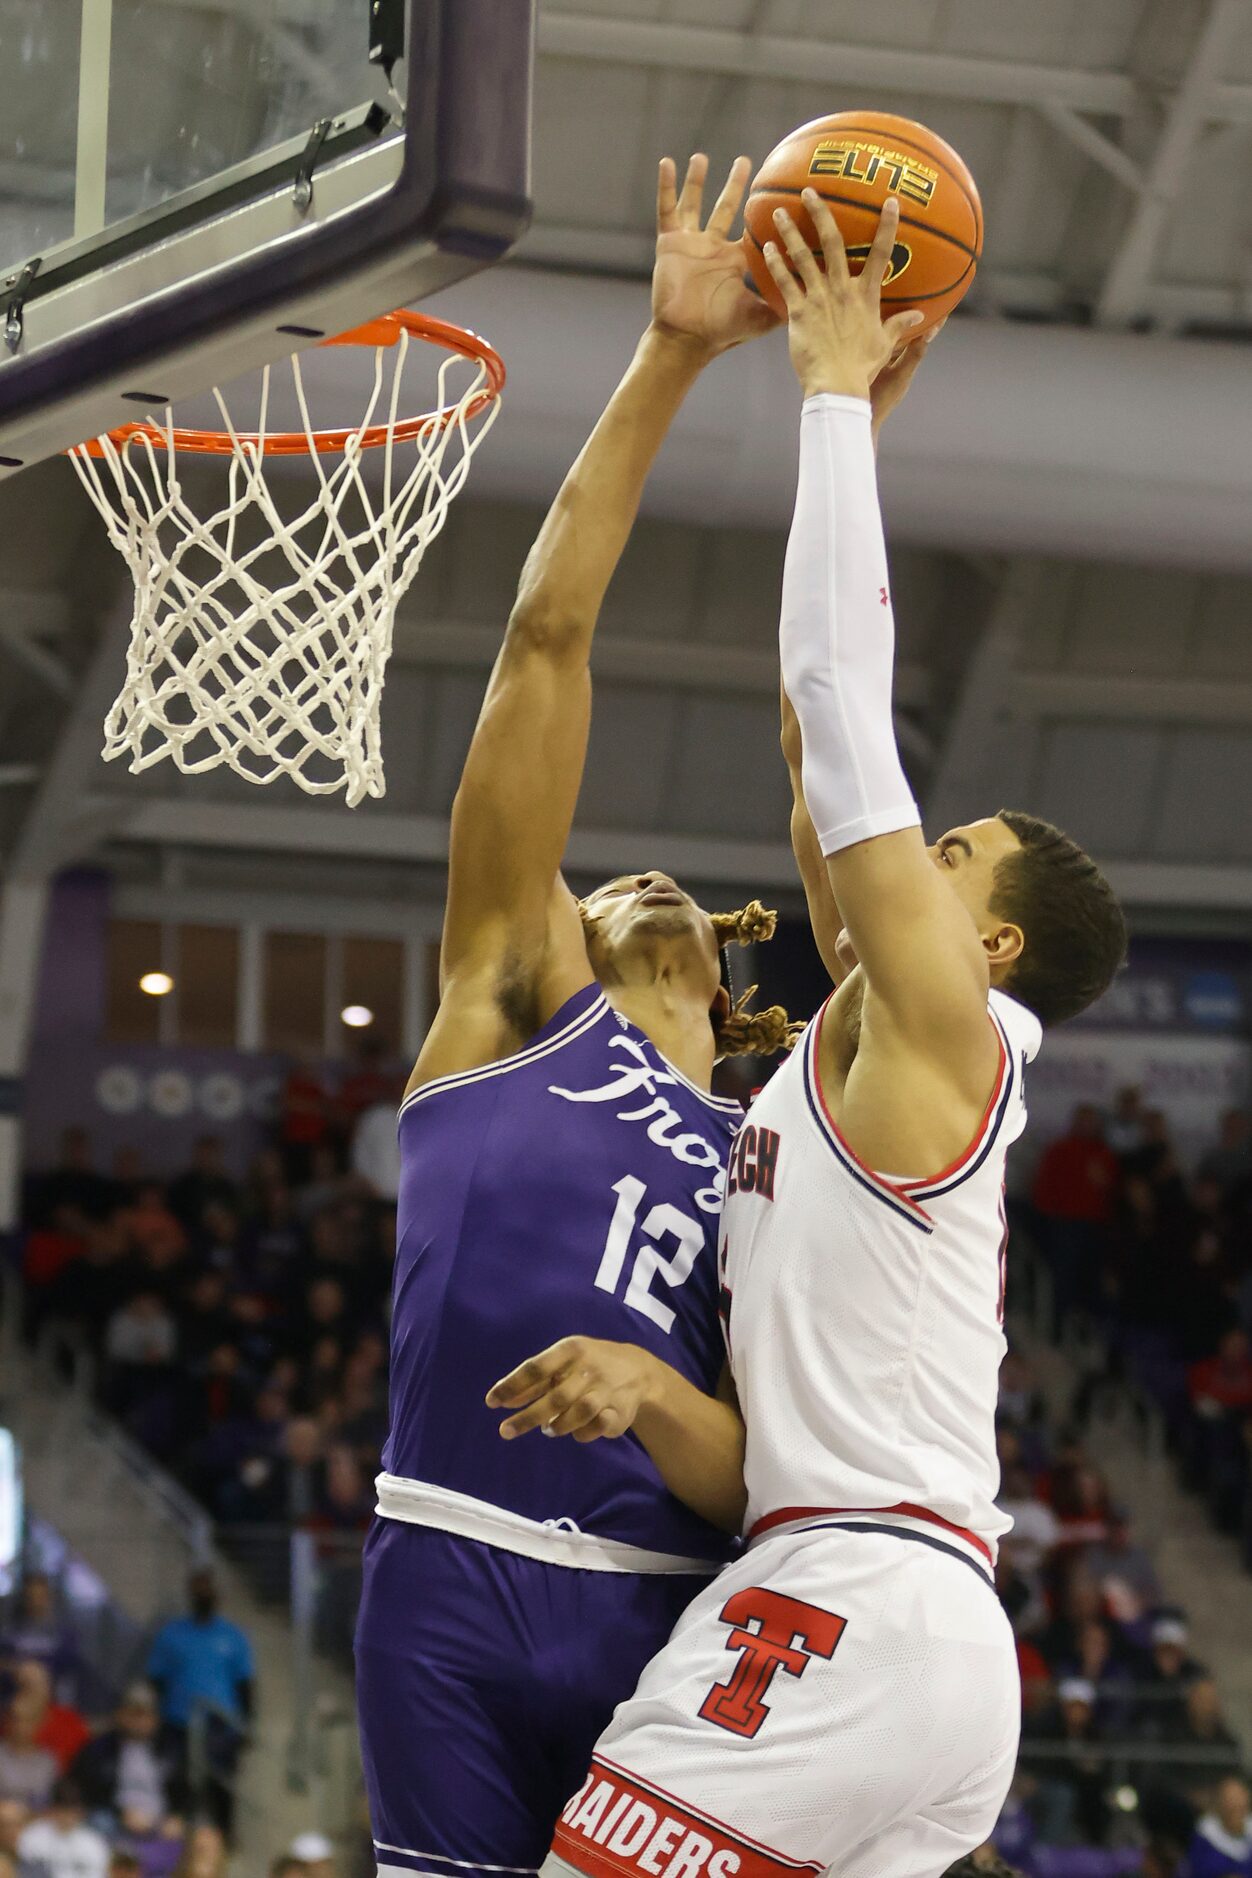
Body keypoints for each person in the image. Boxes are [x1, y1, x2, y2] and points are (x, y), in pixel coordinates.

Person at [495, 190, 1126, 1878]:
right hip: (916, 1629)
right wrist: (854, 433)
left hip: (845, 1594)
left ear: (987, 940)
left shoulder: (942, 1022)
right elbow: (805, 733)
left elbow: (850, 711)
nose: (911, 848)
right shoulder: (878, 1033)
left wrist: (831, 395)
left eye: (951, 850)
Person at [354, 152, 793, 1878]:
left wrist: (649, 1392)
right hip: (452, 1563)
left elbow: (762, 1468)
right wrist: (675, 355)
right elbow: (544, 641)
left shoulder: (783, 1147)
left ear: (726, 979)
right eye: (598, 878)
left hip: (670, 1614)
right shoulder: (515, 995)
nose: (631, 879)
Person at [145, 1571, 252, 1835]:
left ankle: (224, 1840)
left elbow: (245, 1684)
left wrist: (245, 1726)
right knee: (177, 1784)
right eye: (198, 1590)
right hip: (178, 1723)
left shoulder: (232, 1636)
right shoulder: (173, 1634)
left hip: (220, 1726)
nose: (203, 1596)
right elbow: (156, 1679)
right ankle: (176, 1842)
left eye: (208, 1590)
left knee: (221, 1786)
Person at [71, 1682, 187, 1831]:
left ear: (156, 1719)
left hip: (161, 1821)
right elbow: (85, 1792)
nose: (138, 1722)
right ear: (120, 1714)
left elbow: (186, 1792)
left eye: (144, 1714)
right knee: (100, 1821)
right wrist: (120, 1813)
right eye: (133, 1713)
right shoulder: (99, 1749)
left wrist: (176, 1816)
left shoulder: (172, 1750)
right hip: (114, 1820)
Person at [16, 1778, 109, 1878]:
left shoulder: (93, 1842)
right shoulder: (32, 1836)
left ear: (81, 1812)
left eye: (72, 1811)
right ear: (52, 1809)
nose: (67, 1817)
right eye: (63, 1810)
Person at [1188, 1776, 1252, 1878]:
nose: (1235, 1804)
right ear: (1219, 1803)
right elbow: (1198, 1870)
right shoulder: (1206, 1836)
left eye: (1239, 1798)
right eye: (1230, 1799)